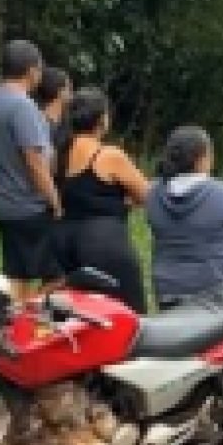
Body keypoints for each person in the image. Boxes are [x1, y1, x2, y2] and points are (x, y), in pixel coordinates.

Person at [55, 88, 149, 313]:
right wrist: (122, 202)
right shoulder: (108, 155)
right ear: (102, 119)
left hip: (65, 243)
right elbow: (147, 195)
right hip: (103, 243)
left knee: (82, 315)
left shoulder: (59, 155)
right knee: (127, 313)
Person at [0, 39, 62, 301]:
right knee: (56, 276)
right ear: (31, 71)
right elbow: (35, 162)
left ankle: (16, 312)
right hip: (26, 205)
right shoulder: (22, 106)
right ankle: (19, 315)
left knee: (19, 274)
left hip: (3, 200)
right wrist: (54, 200)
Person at [146, 126, 223, 309]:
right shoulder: (222, 192)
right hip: (218, 291)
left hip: (168, 293)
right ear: (201, 159)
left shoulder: (153, 193)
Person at [32, 66, 72, 147]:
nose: (71, 93)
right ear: (60, 91)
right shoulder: (36, 121)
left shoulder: (66, 120)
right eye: (69, 88)